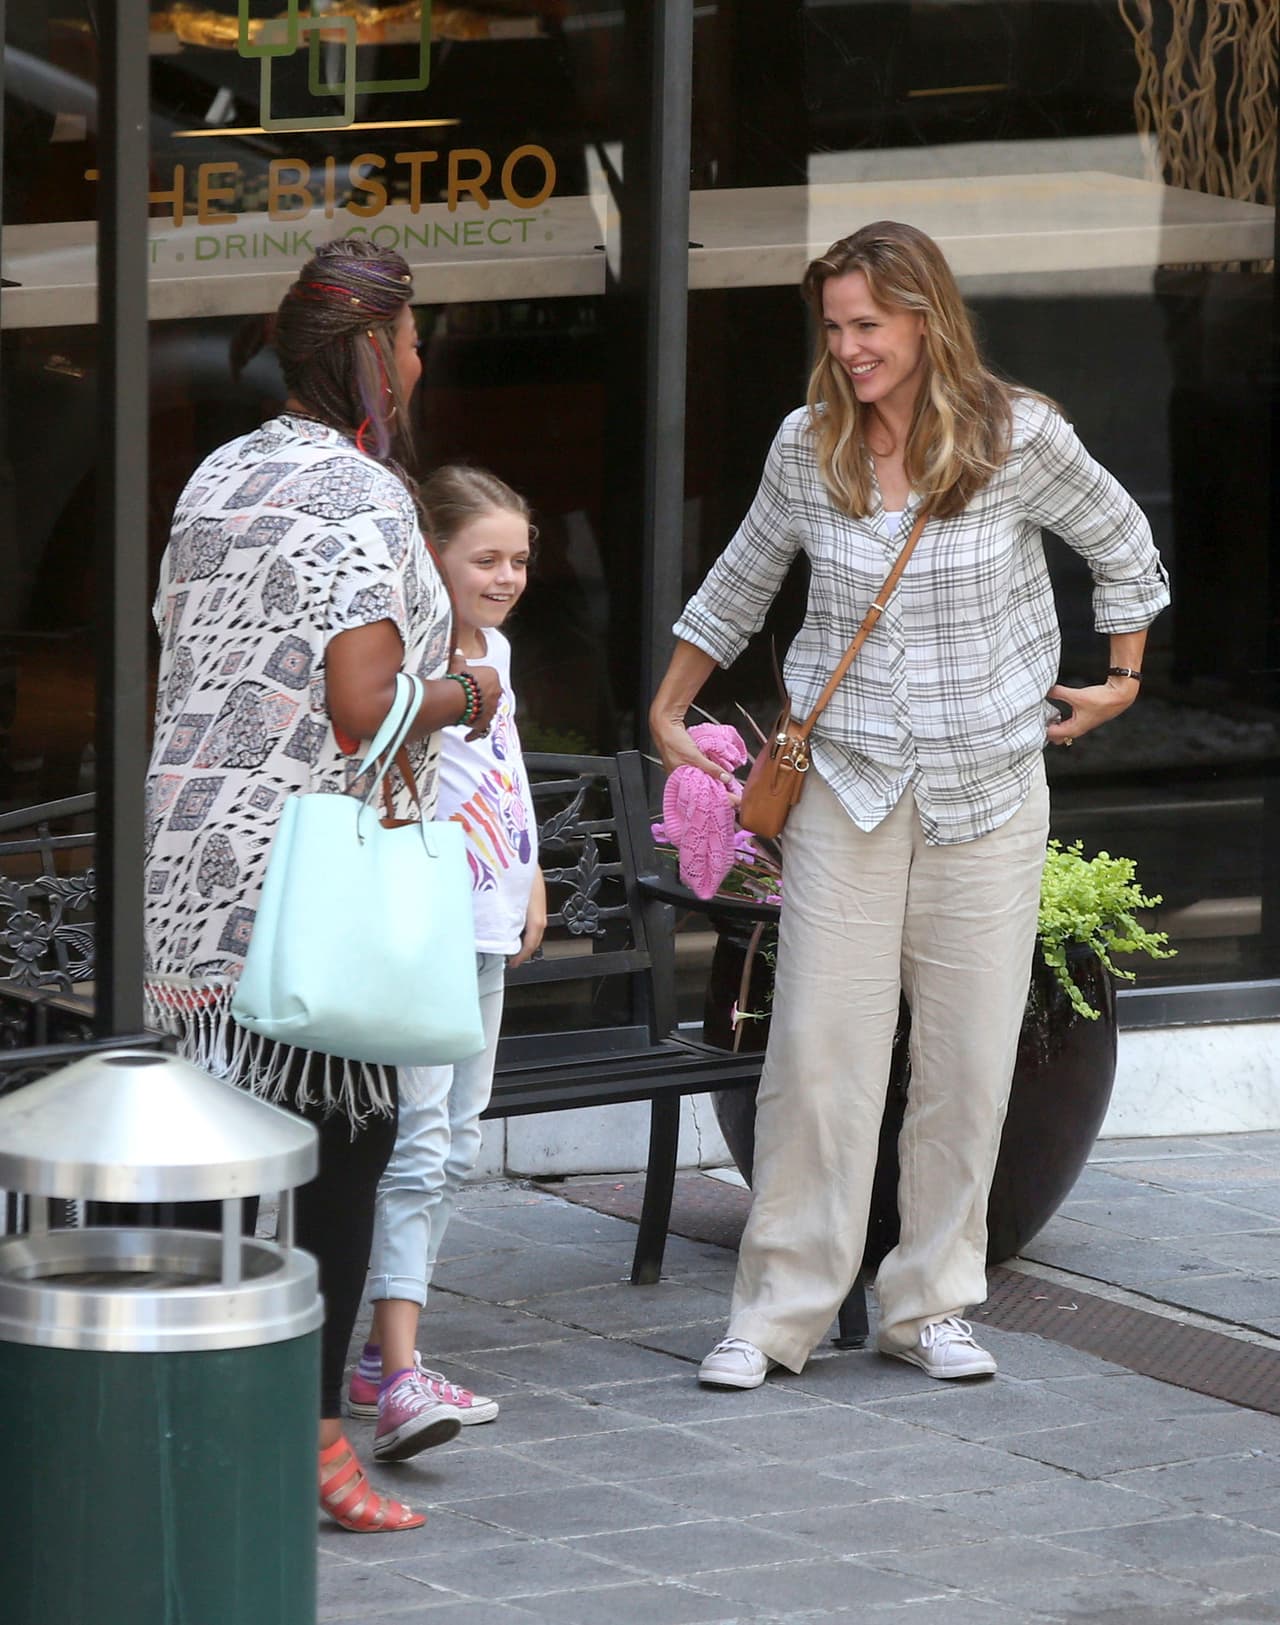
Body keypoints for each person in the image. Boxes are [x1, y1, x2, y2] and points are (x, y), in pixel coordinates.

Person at [649, 221, 1170, 1390]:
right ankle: (776, 1310)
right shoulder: (807, 444)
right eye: (832, 329)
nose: (846, 350)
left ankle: (926, 1301)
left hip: (985, 785)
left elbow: (1121, 541)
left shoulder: (1015, 435)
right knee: (815, 1051)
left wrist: (1119, 680)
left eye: (866, 327)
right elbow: (741, 575)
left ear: (925, 318)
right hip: (846, 781)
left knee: (966, 1054)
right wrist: (669, 703)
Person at [144, 240, 501, 1532]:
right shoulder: (359, 493)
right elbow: (362, 708)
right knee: (340, 1149)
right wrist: (472, 691)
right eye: (409, 342)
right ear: (367, 353)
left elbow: (180, 655)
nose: (417, 364)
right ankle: (311, 1448)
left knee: (214, 1162)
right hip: (307, 880)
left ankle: (188, 1429)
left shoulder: (217, 474)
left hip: (192, 867)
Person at [346, 465, 547, 1452]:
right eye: (485, 557)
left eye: (518, 558)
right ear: (435, 556)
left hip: (485, 925)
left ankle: (384, 1357)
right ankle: (397, 1373)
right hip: (425, 924)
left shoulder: (496, 650)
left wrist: (533, 872)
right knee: (421, 1140)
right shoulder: (416, 655)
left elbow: (503, 769)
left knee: (458, 1140)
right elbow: (373, 752)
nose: (505, 575)